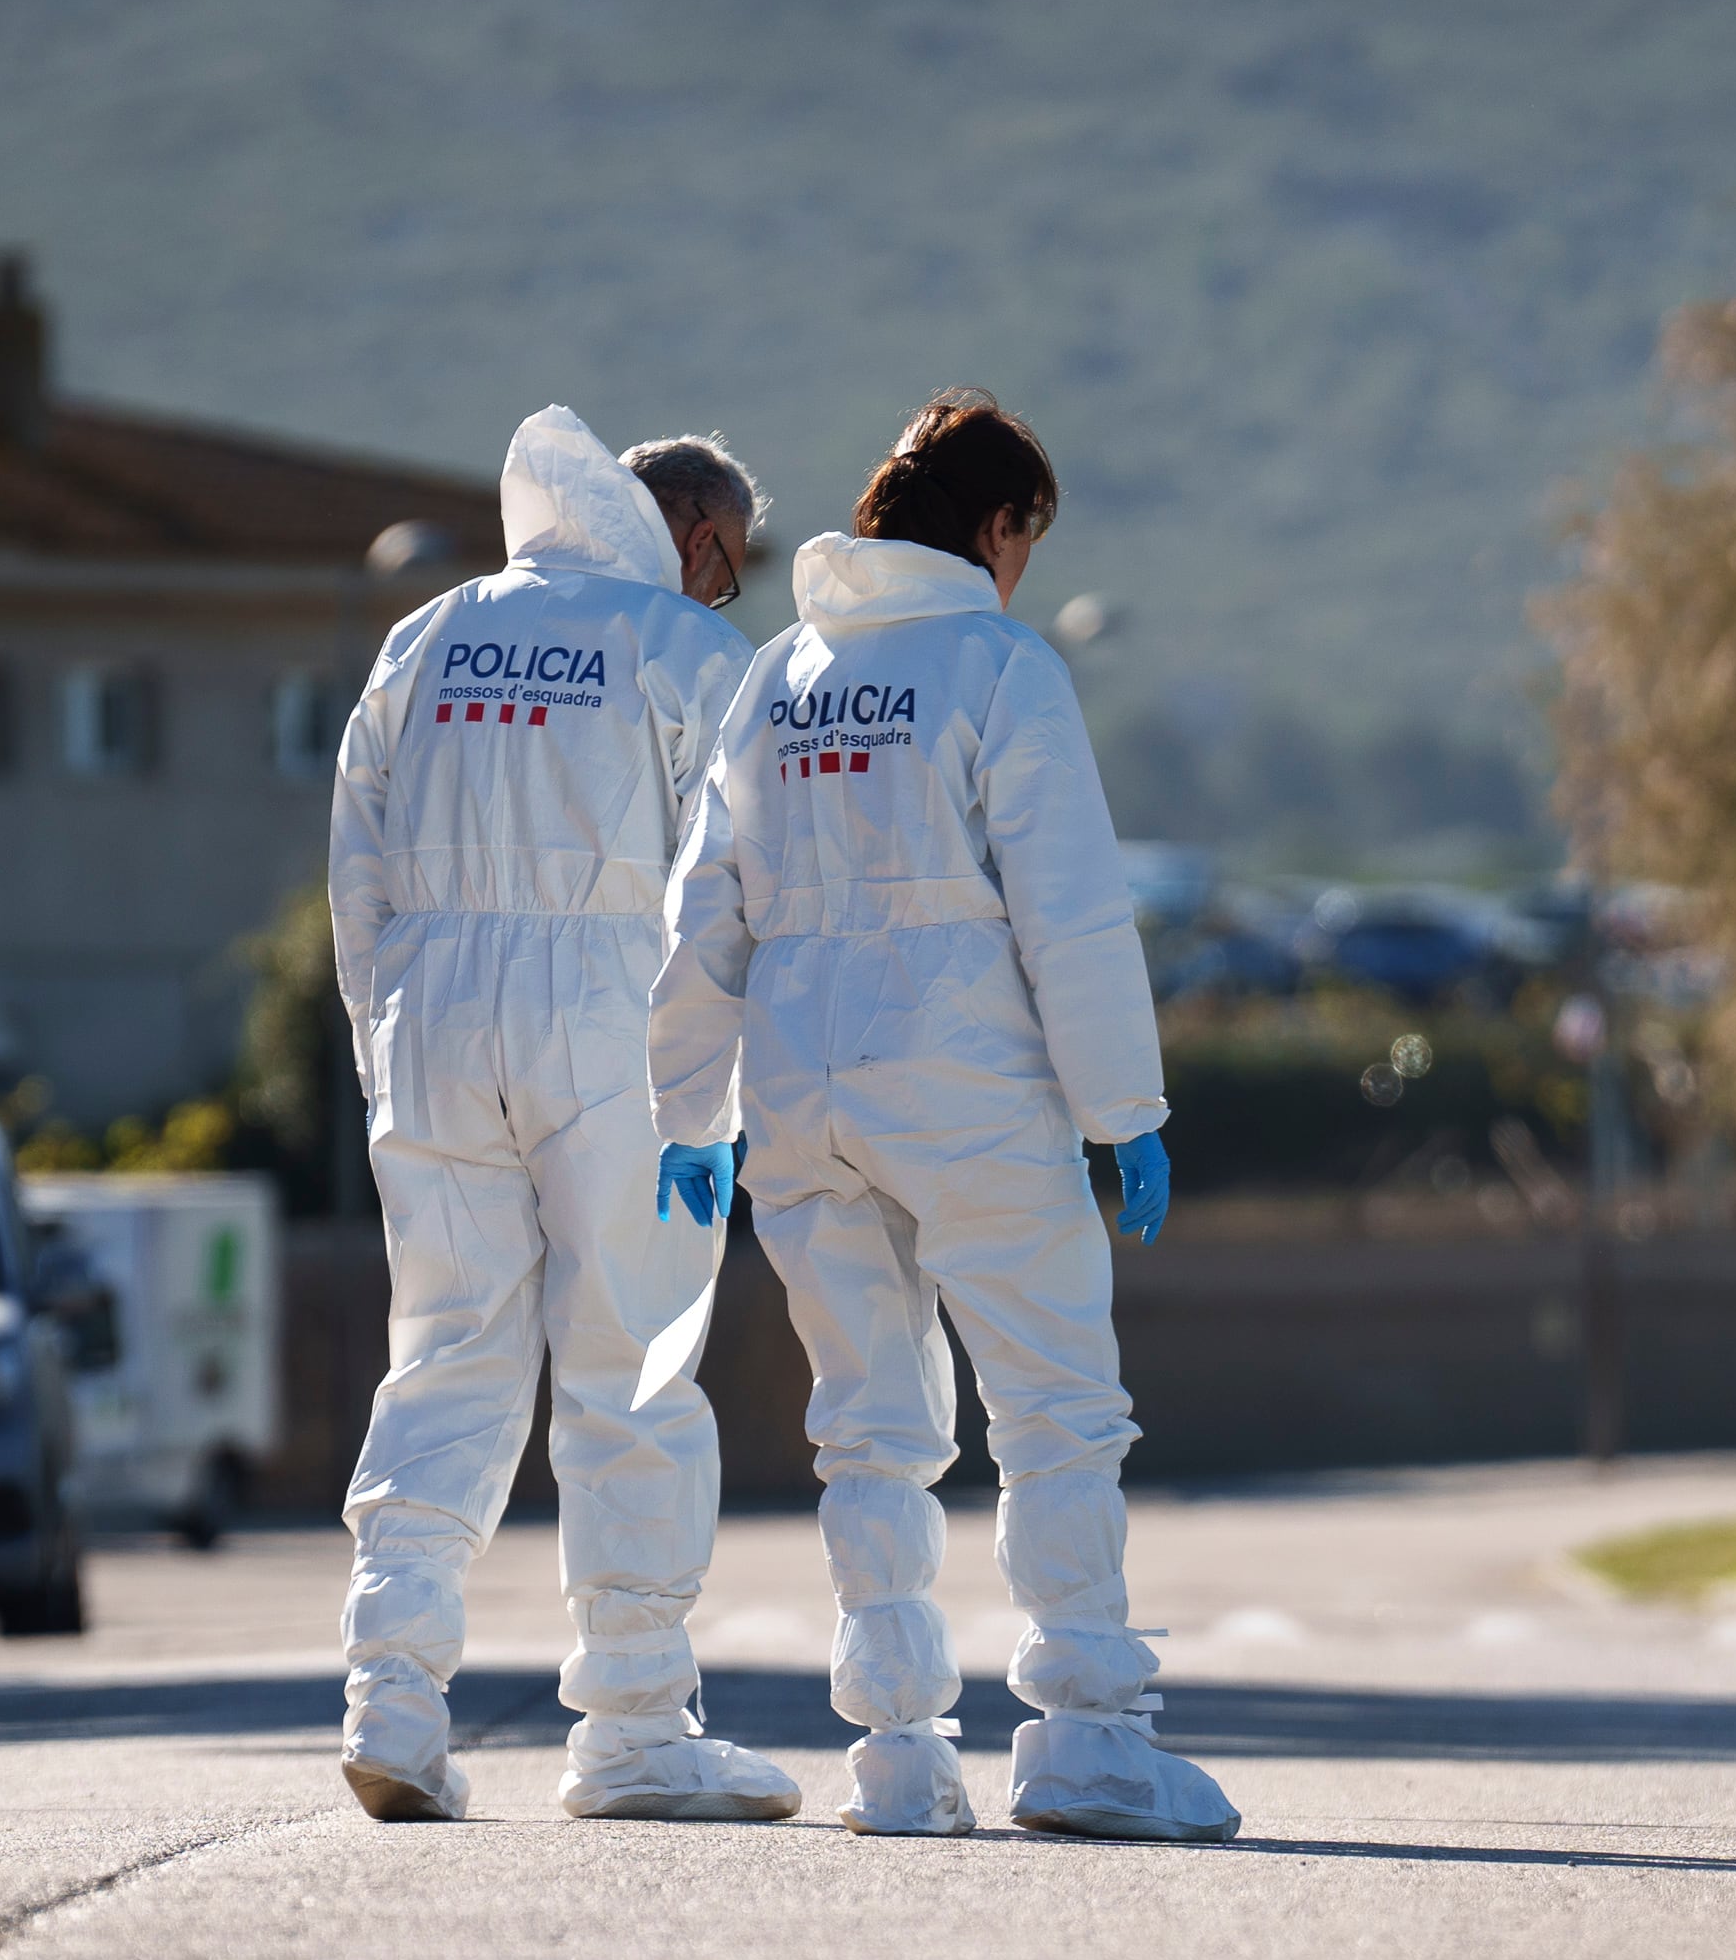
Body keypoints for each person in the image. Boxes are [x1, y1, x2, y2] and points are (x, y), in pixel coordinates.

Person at [649, 390, 1233, 1844]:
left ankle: (901, 1758)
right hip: (966, 1084)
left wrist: (686, 1112)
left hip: (800, 1097)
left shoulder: (776, 675)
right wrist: (1126, 1111)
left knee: (866, 1426)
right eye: (1026, 539)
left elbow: (702, 915)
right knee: (1054, 1412)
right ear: (995, 527)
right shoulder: (997, 665)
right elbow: (1075, 916)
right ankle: (1089, 1737)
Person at [328, 405, 802, 1827]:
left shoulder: (427, 634)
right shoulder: (686, 650)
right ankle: (637, 1726)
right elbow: (736, 886)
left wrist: (384, 1046)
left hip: (431, 1013)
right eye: (733, 561)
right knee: (634, 1367)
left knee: (446, 1358)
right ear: (699, 540)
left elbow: (356, 874)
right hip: (616, 1013)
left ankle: (393, 1705)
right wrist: (723, 1100)